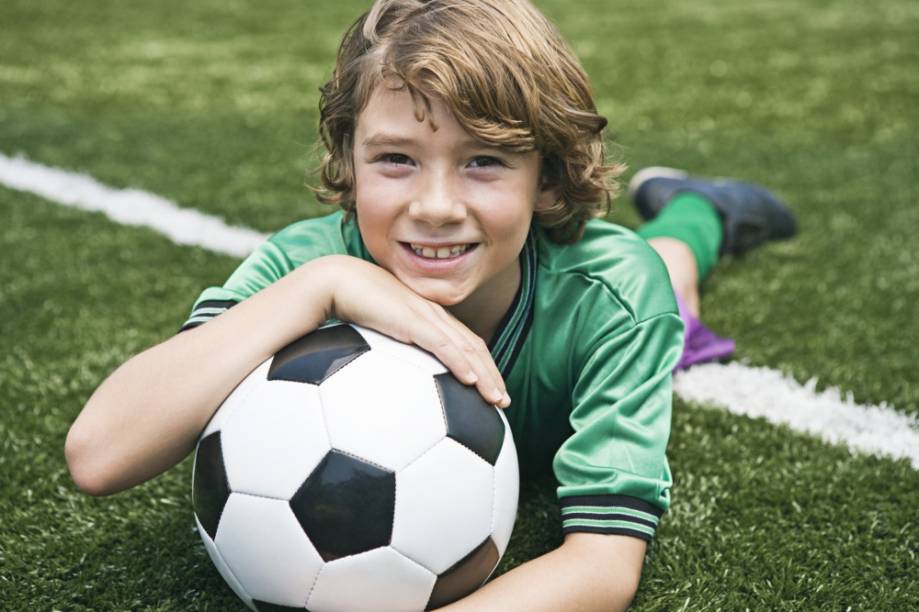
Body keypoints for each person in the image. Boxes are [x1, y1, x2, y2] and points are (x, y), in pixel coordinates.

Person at [64, 1, 796, 610]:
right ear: (347, 163)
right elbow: (99, 456)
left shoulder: (607, 298)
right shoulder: (303, 264)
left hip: (611, 277)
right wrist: (324, 285)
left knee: (664, 272)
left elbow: (603, 565)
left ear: (547, 178)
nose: (436, 207)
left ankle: (699, 210)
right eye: (395, 159)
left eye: (484, 160)